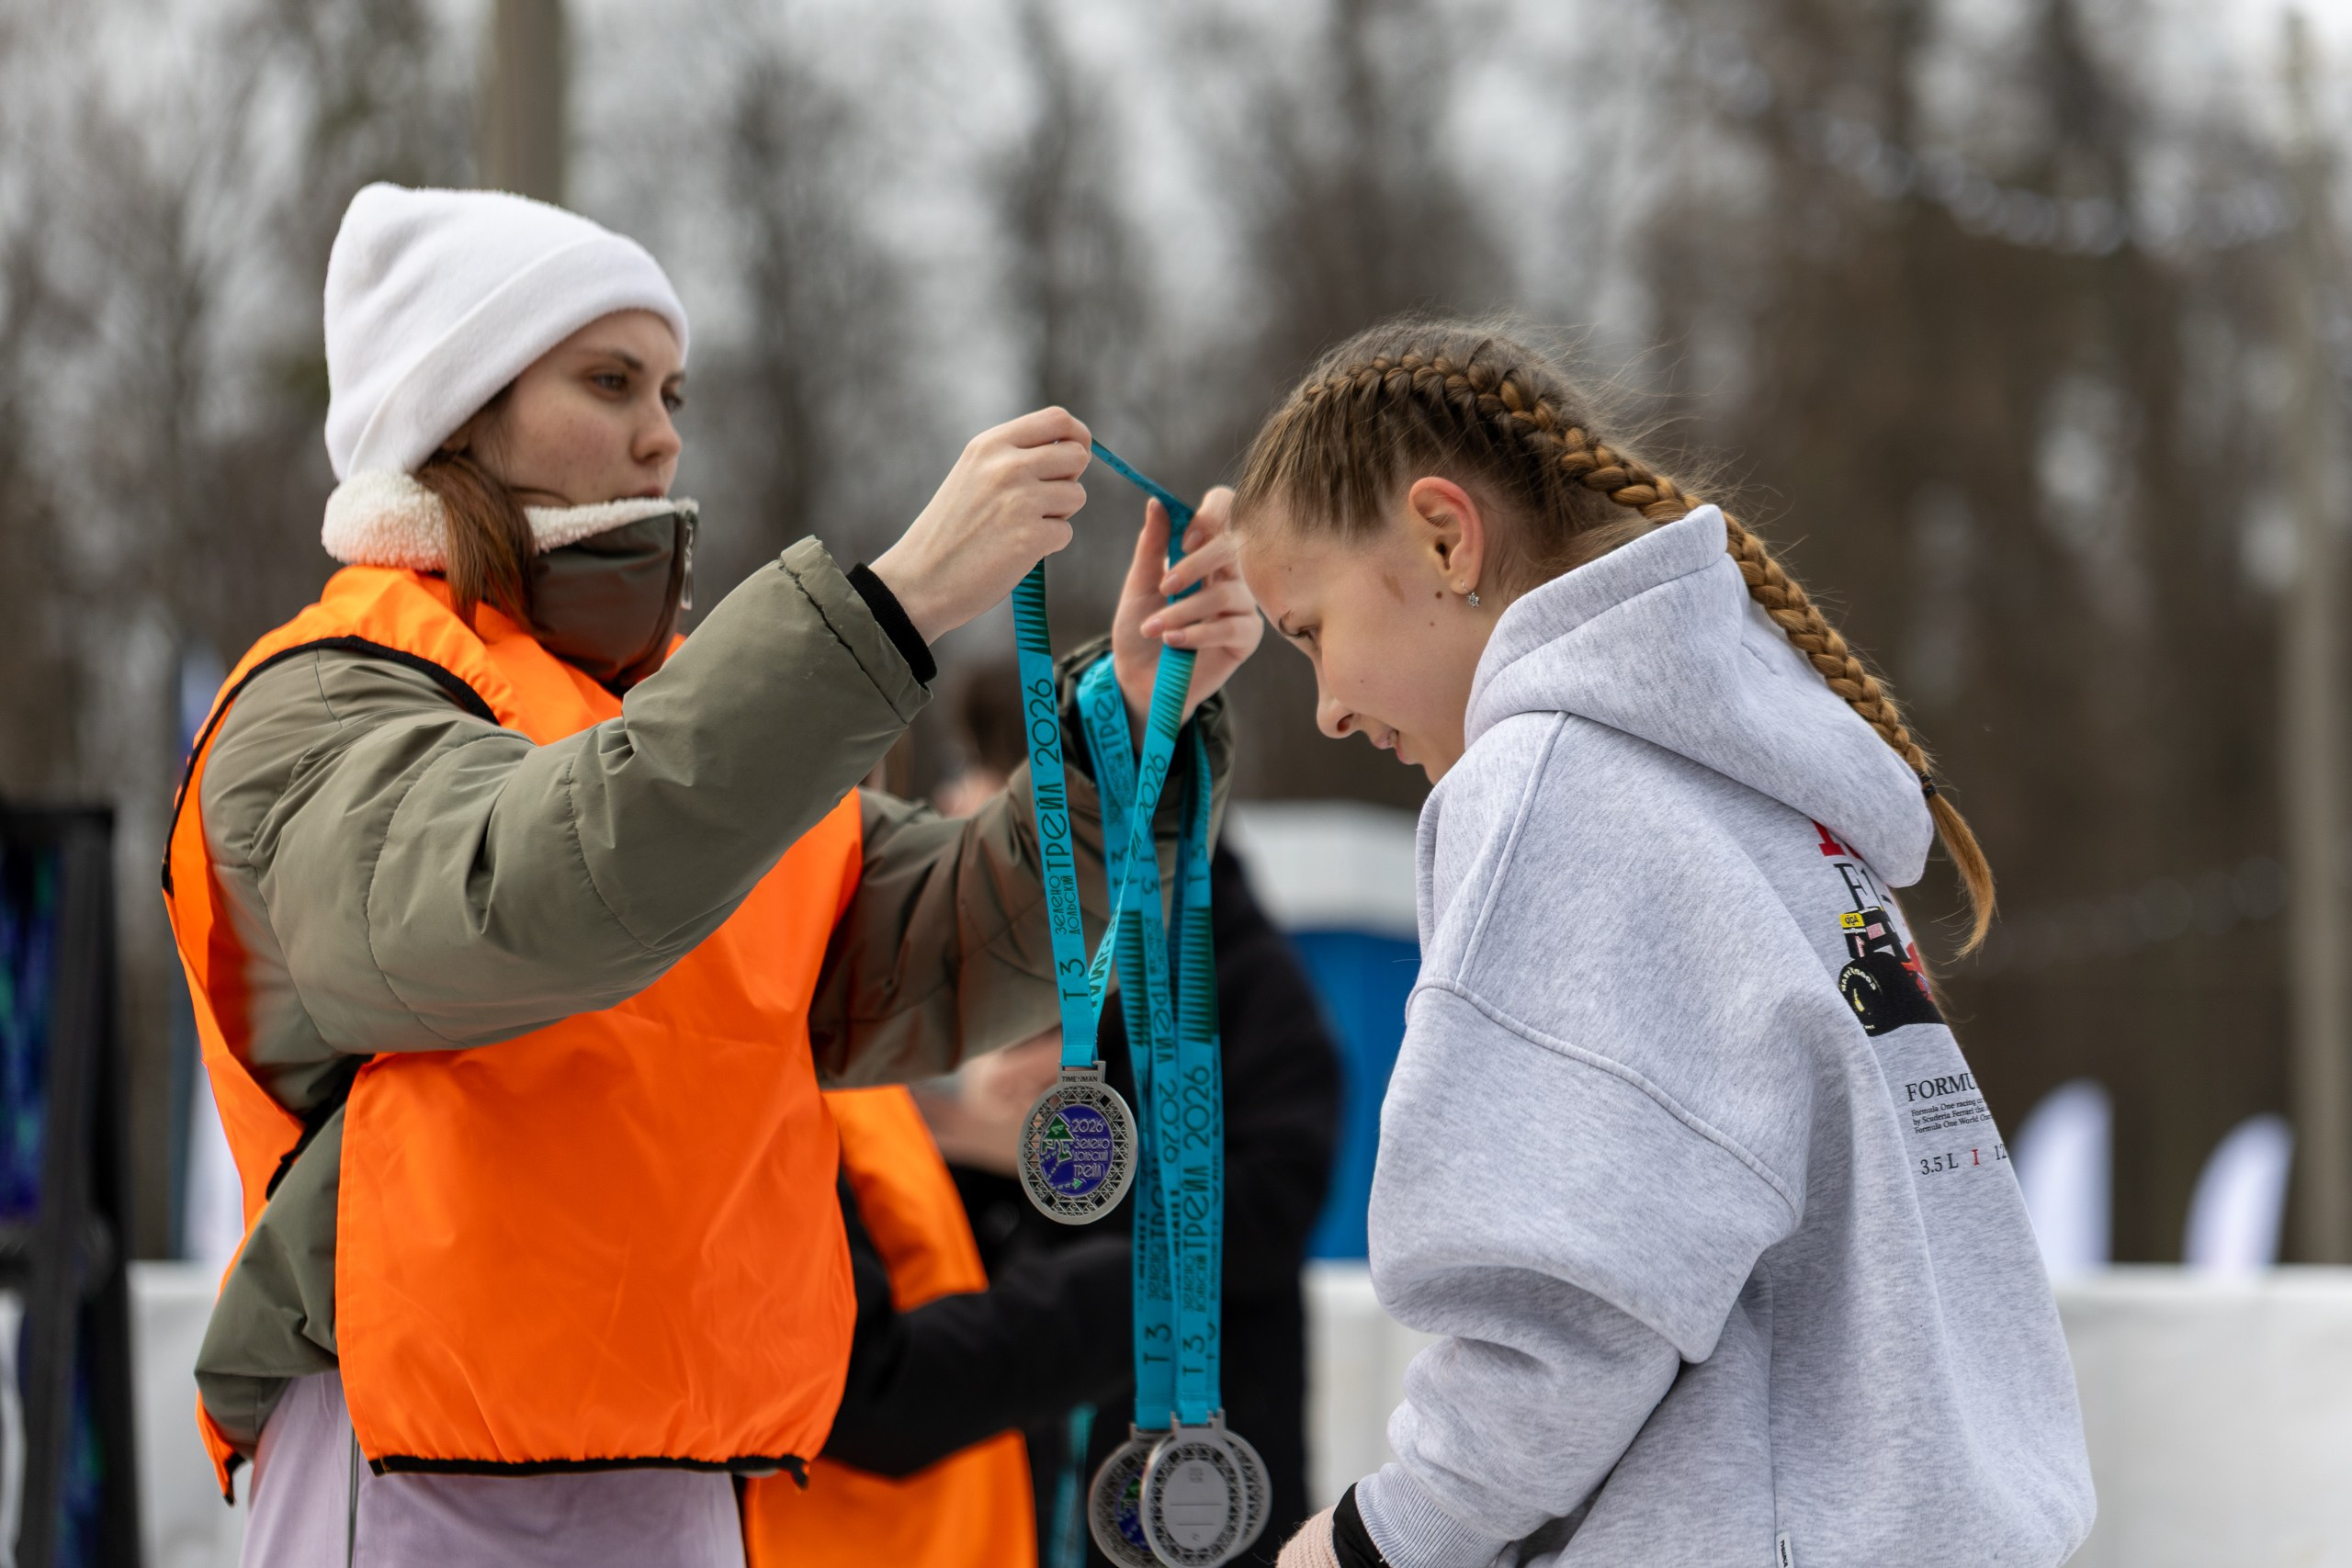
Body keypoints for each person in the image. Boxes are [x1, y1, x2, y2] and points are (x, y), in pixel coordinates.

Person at [159, 183, 1262, 1566]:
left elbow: (948, 942)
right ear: (458, 412)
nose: (662, 431)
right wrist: (896, 605)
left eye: (672, 389)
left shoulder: (687, 727)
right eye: (608, 379)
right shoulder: (324, 698)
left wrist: (1130, 724)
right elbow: (522, 902)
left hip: (688, 1460)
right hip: (411, 1452)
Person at [1230, 321, 2096, 1568]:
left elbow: (1571, 1305)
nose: (1324, 707)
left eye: (1310, 629)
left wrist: (1378, 1538)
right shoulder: (1769, 790)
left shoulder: (1548, 786)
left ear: (1443, 538)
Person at [743, 660, 1343, 1568]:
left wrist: (1050, 1161)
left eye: (985, 774)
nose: (956, 800)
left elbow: (1264, 1207)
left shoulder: (1239, 984)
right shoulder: (991, 975)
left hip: (1190, 1465)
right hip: (1019, 1466)